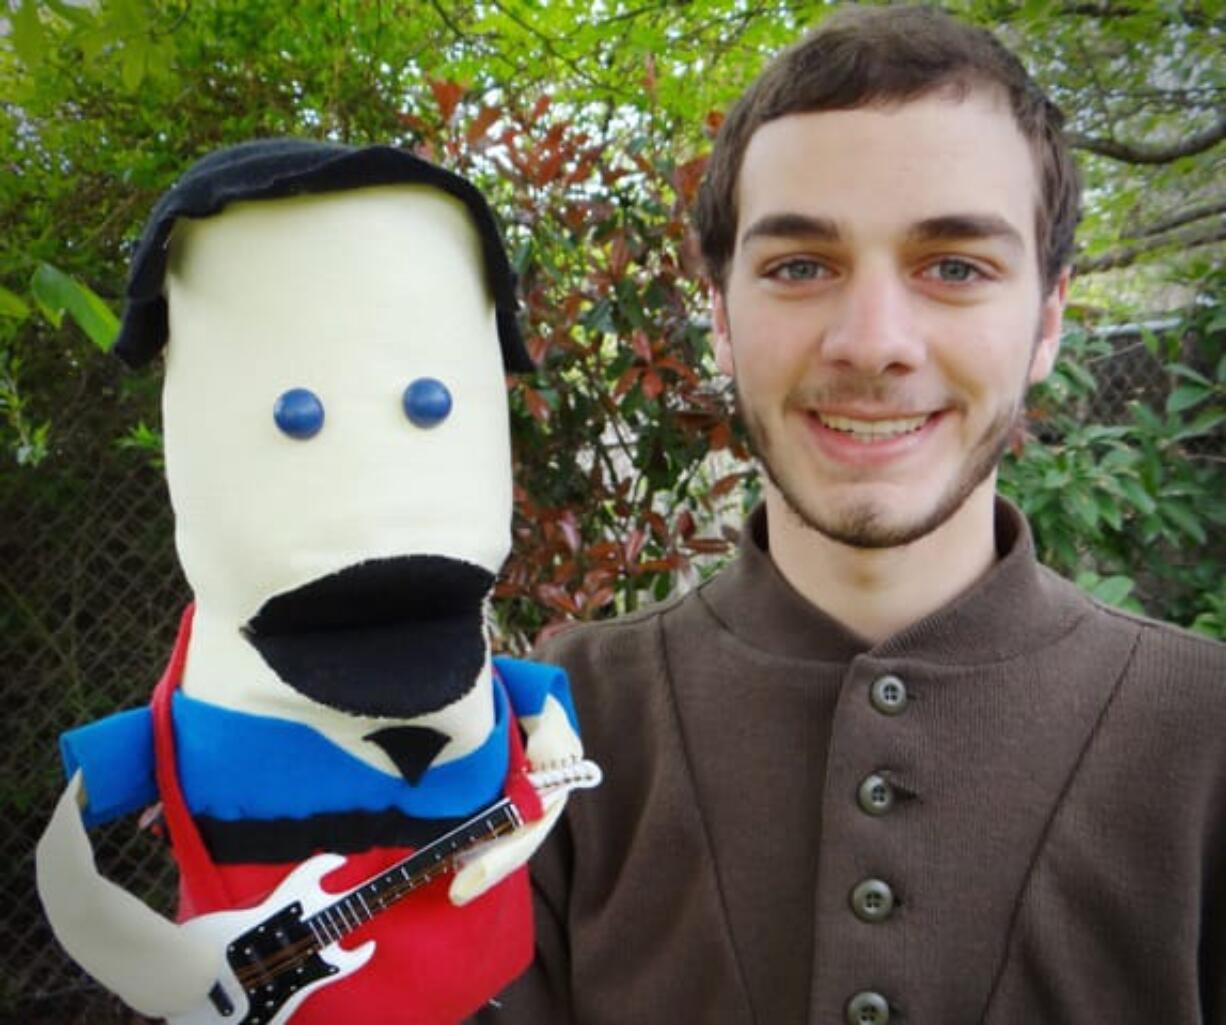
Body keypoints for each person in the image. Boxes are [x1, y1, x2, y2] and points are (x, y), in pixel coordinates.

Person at [477, 7, 1226, 1024]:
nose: (872, 343)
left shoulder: (1206, 733)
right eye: (798, 266)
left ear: (1046, 319)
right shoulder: (560, 722)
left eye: (954, 267)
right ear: (720, 318)